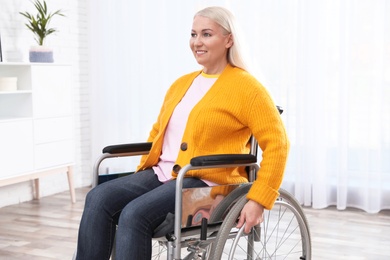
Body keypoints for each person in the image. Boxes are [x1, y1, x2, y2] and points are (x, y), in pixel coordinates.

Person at [75, 6, 289, 260]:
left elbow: (279, 144)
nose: (197, 42)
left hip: (209, 183)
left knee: (134, 214)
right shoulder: (181, 84)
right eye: (193, 34)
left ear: (229, 39)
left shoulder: (247, 88)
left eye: (207, 34)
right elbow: (159, 132)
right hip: (165, 173)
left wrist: (258, 200)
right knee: (98, 198)